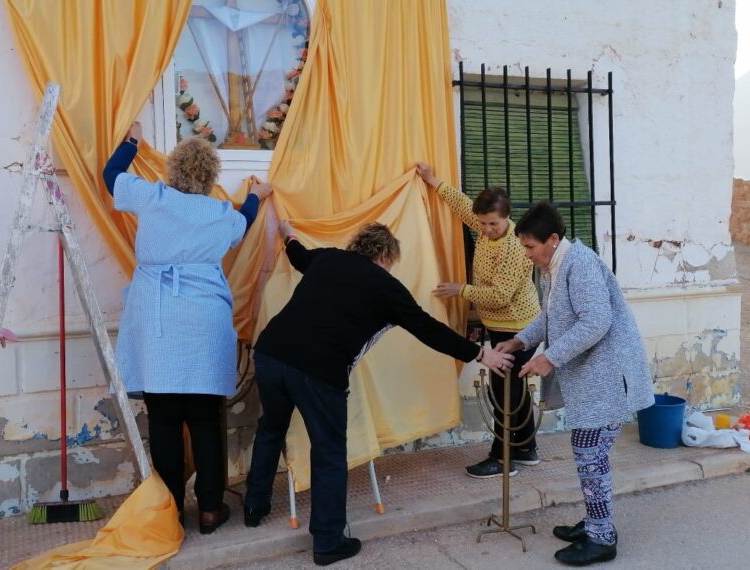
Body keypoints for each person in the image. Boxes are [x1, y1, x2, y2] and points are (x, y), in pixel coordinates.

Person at [243, 222, 515, 566]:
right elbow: (428, 329)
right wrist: (480, 354)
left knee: (271, 428)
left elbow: (298, 256)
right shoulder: (387, 287)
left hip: (270, 354)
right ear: (385, 255)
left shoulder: (327, 259)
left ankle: (254, 507)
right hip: (317, 371)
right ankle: (327, 542)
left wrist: (288, 233)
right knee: (328, 453)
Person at [102, 123, 272, 534]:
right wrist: (254, 196)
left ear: (172, 170)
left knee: (163, 418)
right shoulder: (218, 213)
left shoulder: (153, 196)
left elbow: (111, 178)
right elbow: (245, 221)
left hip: (158, 318)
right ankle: (211, 510)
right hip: (205, 320)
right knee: (205, 418)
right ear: (211, 176)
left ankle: (171, 509)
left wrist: (131, 142)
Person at [495, 201, 654, 566]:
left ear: (552, 240)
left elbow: (596, 321)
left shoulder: (579, 264)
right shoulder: (557, 264)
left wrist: (548, 358)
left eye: (530, 247)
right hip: (596, 377)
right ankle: (597, 523)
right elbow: (554, 317)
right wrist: (520, 341)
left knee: (589, 453)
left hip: (609, 376)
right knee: (589, 453)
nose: (527, 254)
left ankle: (602, 537)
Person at [416, 163, 541, 478]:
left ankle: (503, 459)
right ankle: (526, 450)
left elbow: (500, 295)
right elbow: (462, 206)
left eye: (493, 224)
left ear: (506, 217)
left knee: (503, 392)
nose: (486, 229)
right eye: (483, 223)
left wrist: (461, 290)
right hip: (501, 325)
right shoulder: (486, 226)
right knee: (514, 388)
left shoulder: (514, 245)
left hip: (518, 327)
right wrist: (434, 180)